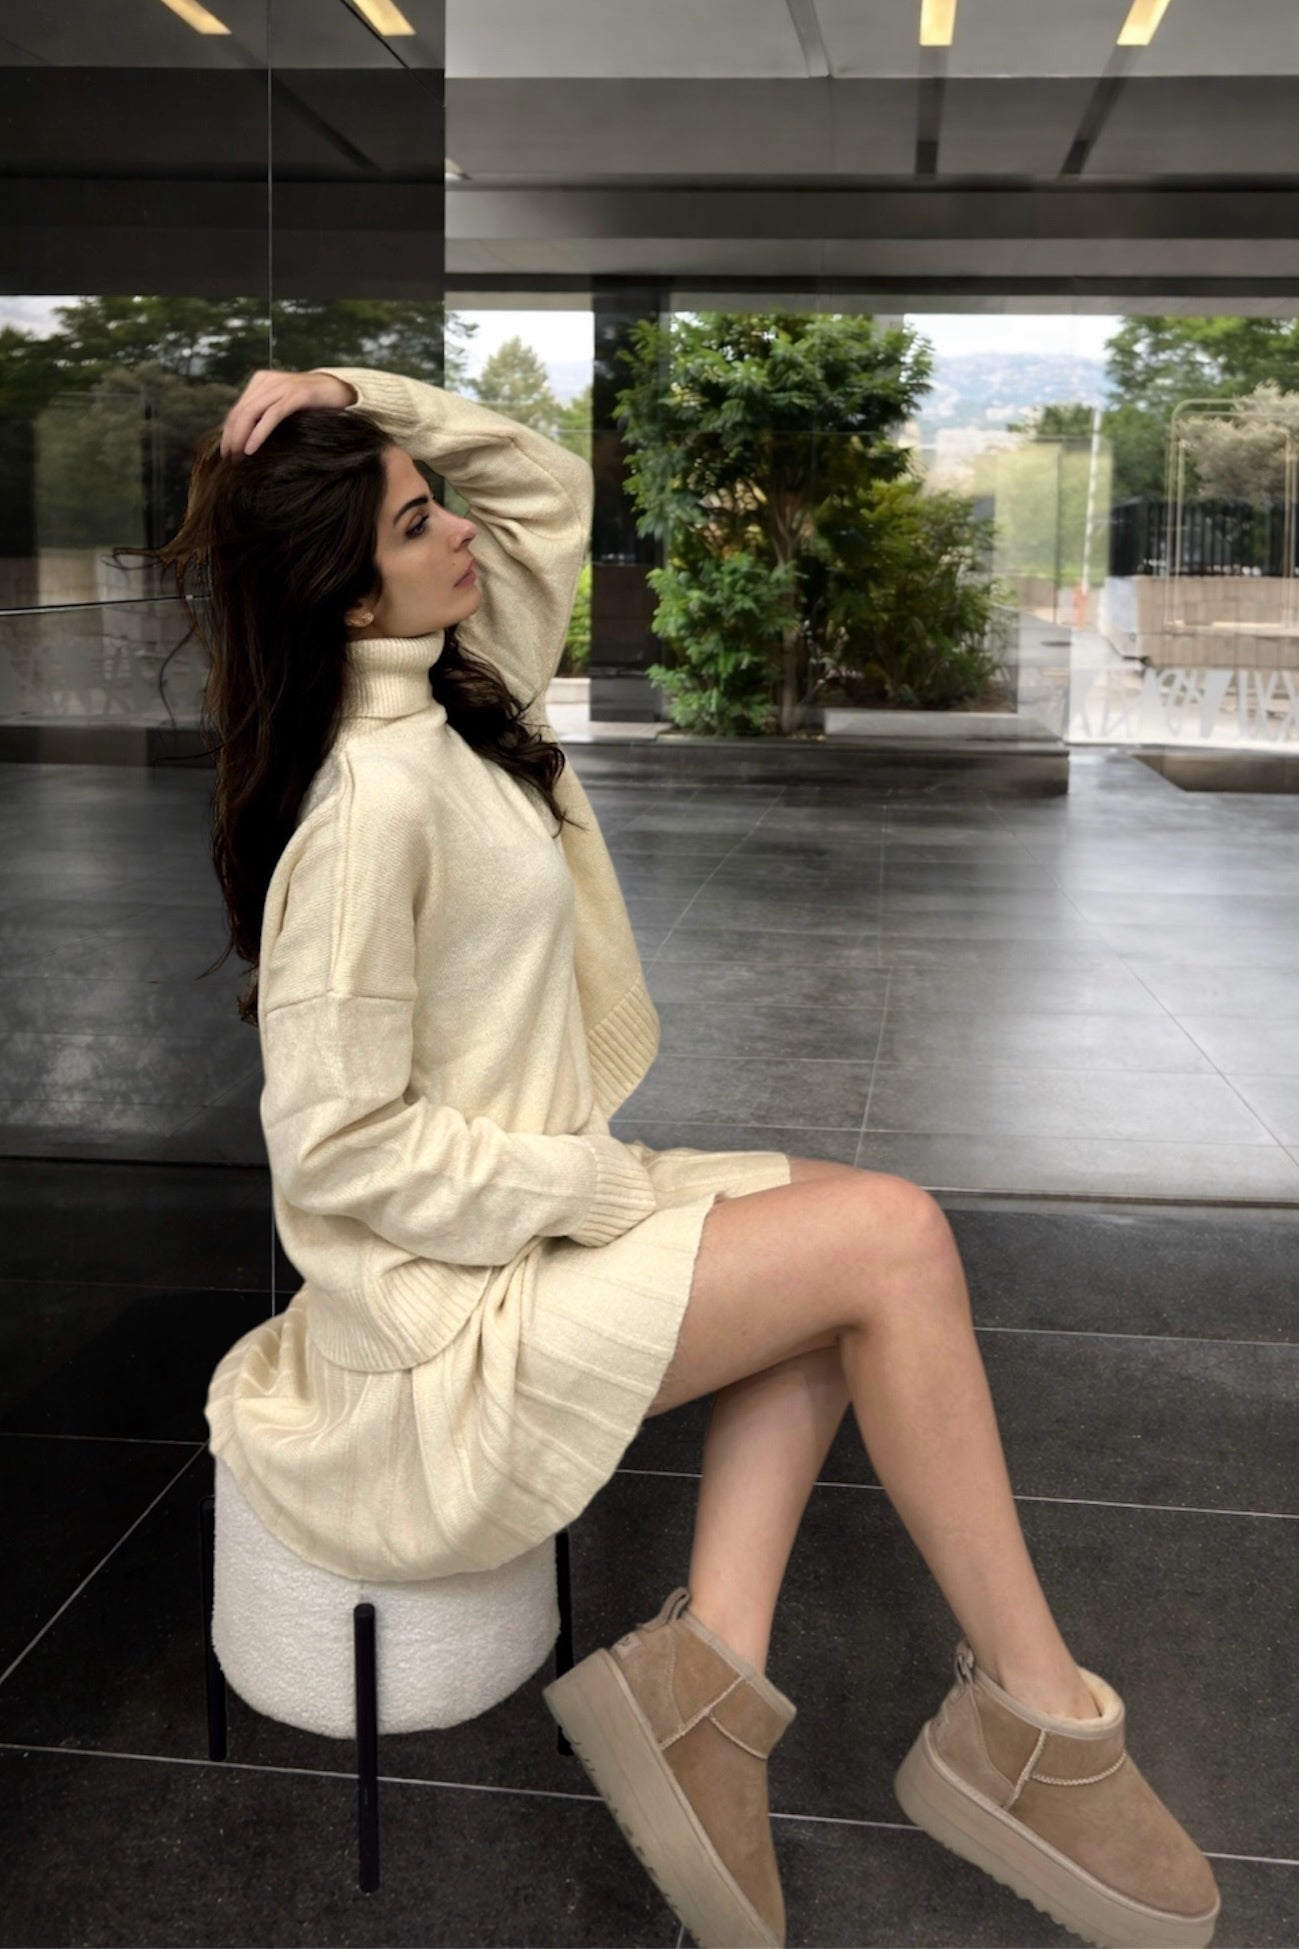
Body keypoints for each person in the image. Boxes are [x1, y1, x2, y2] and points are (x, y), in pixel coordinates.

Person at [178, 365, 1216, 1949]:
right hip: (446, 1328)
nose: (462, 527)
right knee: (890, 1241)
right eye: (414, 518)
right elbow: (334, 1152)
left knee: (826, 1238)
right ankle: (1041, 1720)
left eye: (432, 502)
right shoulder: (364, 806)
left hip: (524, 1233)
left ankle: (705, 1691)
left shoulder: (460, 694)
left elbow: (542, 483)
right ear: (342, 590)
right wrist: (593, 1190)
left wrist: (350, 391)